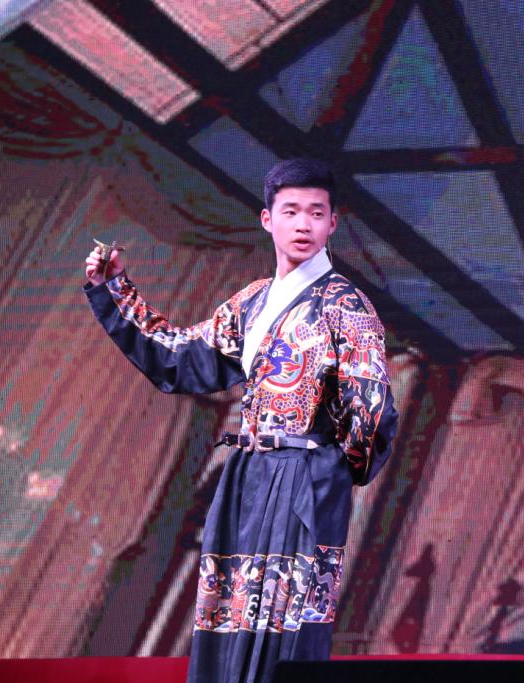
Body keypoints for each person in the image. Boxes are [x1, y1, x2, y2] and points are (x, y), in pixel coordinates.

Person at [83, 158, 398, 682]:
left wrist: (325, 471)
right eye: (290, 211)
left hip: (304, 479)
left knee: (285, 630)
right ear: (267, 219)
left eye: (315, 213)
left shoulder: (347, 305)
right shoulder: (252, 301)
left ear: (333, 223)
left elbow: (372, 409)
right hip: (246, 476)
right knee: (228, 623)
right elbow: (182, 356)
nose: (303, 224)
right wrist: (116, 290)